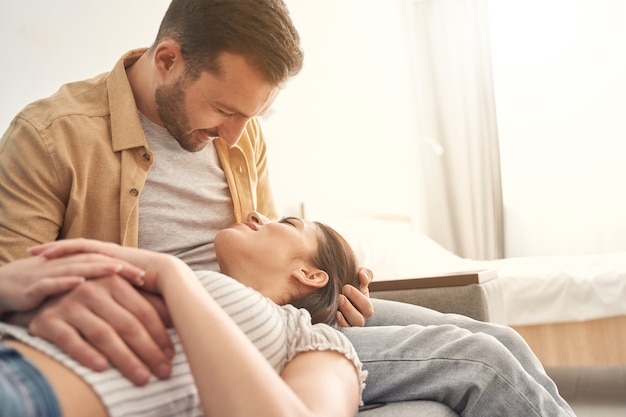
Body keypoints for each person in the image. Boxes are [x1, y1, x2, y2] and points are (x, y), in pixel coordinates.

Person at [0, 0, 576, 416]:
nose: (235, 136)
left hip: (278, 309)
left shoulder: (241, 134)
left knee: (499, 338)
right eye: (224, 110)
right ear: (168, 60)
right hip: (219, 332)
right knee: (479, 360)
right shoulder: (52, 137)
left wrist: (328, 293)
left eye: (253, 116)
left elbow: (271, 242)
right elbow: (13, 281)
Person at [0, 215, 366, 417]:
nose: (257, 214)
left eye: (286, 223)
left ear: (312, 275)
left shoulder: (314, 340)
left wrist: (172, 275)